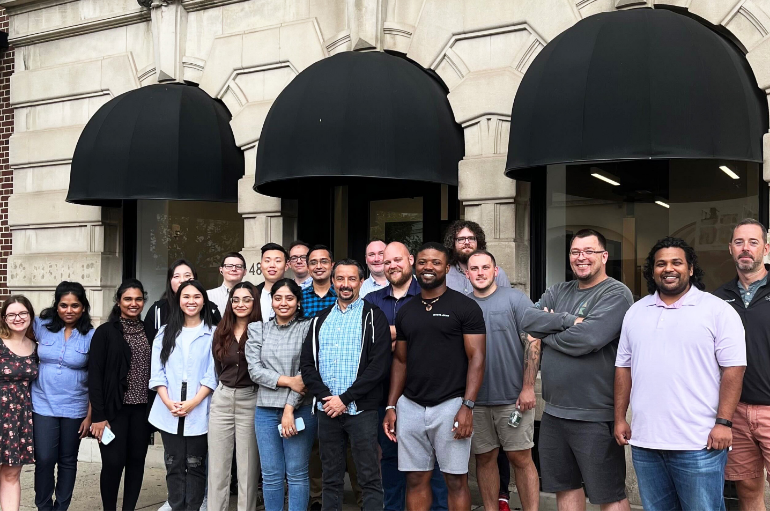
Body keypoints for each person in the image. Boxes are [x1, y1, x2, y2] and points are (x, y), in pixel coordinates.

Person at [616, 237, 746, 511]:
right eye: (660, 263)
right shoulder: (635, 312)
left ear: (690, 268)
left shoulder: (717, 310)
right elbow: (623, 368)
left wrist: (724, 422)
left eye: (677, 262)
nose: (668, 268)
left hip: (699, 444)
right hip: (646, 443)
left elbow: (734, 368)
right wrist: (619, 417)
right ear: (652, 271)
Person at [521, 229, 632, 511]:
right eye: (575, 252)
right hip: (555, 412)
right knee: (565, 488)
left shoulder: (616, 293)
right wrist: (570, 321)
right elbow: (527, 319)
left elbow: (589, 339)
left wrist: (546, 333)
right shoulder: (558, 290)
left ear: (604, 256)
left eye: (589, 252)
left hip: (594, 415)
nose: (581, 258)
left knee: (609, 495)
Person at [383, 242, 486, 511]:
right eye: (423, 262)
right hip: (412, 405)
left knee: (455, 480)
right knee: (416, 479)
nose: (429, 267)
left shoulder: (466, 307)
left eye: (436, 262)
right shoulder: (407, 310)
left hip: (451, 405)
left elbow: (477, 358)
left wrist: (467, 406)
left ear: (447, 268)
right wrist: (392, 405)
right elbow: (401, 361)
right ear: (415, 266)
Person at [301, 259, 392, 511]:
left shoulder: (374, 317)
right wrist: (327, 398)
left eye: (352, 279)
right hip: (327, 411)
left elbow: (379, 366)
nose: (345, 284)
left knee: (369, 477)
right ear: (332, 282)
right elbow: (307, 365)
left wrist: (346, 398)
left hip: (361, 411)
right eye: (340, 279)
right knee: (330, 478)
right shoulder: (320, 320)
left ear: (361, 283)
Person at [365, 241, 449, 511]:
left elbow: (435, 339)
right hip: (382, 393)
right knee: (389, 459)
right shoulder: (372, 300)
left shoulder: (429, 295)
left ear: (410, 260)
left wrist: (392, 335)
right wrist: (404, 335)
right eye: (387, 262)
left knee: (432, 461)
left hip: (425, 393)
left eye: (397, 260)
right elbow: (366, 342)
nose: (392, 266)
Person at [466, 250, 540, 511]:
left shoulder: (515, 299)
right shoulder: (462, 304)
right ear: (467, 273)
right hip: (476, 402)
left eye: (485, 267)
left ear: (495, 271)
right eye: (474, 268)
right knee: (484, 459)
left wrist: (529, 388)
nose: (480, 272)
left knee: (521, 458)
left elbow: (533, 341)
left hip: (513, 399)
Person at [147, 261, 219, 511]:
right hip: (169, 407)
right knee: (174, 462)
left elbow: (212, 375)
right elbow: (157, 373)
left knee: (196, 463)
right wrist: (169, 402)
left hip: (199, 406)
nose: (191, 301)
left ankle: (193, 506)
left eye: (196, 296)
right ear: (178, 299)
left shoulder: (213, 333)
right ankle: (176, 504)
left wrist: (193, 402)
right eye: (186, 296)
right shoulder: (165, 332)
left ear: (204, 301)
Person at [246, 278, 316, 511]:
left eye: (289, 298)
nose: (283, 303)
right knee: (271, 475)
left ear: (298, 302)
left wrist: (289, 408)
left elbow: (307, 371)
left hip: (300, 409)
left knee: (296, 473)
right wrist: (288, 381)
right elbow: (255, 371)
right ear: (271, 301)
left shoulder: (308, 328)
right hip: (265, 410)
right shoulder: (258, 329)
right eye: (278, 298)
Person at [715, 219, 770, 511]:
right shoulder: (718, 299)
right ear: (731, 249)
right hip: (734, 412)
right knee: (747, 487)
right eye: (739, 242)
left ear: (766, 248)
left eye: (752, 242)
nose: (745, 248)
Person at [89, 279, 153, 511]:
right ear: (118, 301)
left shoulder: (150, 330)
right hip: (113, 411)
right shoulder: (105, 332)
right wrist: (98, 415)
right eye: (128, 299)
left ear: (144, 301)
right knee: (113, 463)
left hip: (142, 410)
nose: (133, 304)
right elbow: (94, 376)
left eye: (138, 299)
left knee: (136, 462)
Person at [32, 281, 95, 511]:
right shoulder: (41, 325)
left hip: (75, 407)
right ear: (56, 306)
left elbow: (95, 378)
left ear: (83, 307)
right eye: (64, 305)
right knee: (45, 459)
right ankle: (44, 506)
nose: (69, 310)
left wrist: (90, 416)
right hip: (42, 404)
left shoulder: (91, 335)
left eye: (75, 305)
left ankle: (62, 507)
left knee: (68, 461)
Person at [208, 282, 261, 511]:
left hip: (251, 399)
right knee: (218, 467)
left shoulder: (262, 330)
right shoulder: (221, 330)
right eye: (236, 299)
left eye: (246, 299)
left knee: (248, 468)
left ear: (254, 302)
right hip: (222, 399)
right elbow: (218, 367)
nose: (240, 304)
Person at [0, 295, 38, 511]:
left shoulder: (34, 347)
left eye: (22, 313)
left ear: (30, 316)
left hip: (19, 417)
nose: (17, 318)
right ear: (4, 318)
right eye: (11, 314)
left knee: (11, 472)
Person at [145, 259, 222, 343]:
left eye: (187, 275)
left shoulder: (211, 309)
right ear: (169, 281)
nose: (182, 280)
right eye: (176, 276)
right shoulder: (157, 310)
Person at [444, 220, 510, 296]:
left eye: (471, 238)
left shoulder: (497, 273)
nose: (467, 242)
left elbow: (508, 301)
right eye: (461, 239)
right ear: (453, 243)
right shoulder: (445, 274)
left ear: (478, 242)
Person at [301, 245, 337, 318]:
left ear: (332, 265)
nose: (319, 267)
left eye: (324, 262)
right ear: (308, 267)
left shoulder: (341, 295)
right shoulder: (300, 297)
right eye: (313, 263)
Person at [256, 243, 289, 321]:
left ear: (286, 266)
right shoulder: (252, 294)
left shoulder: (296, 293)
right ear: (261, 266)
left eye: (277, 261)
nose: (272, 265)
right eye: (267, 261)